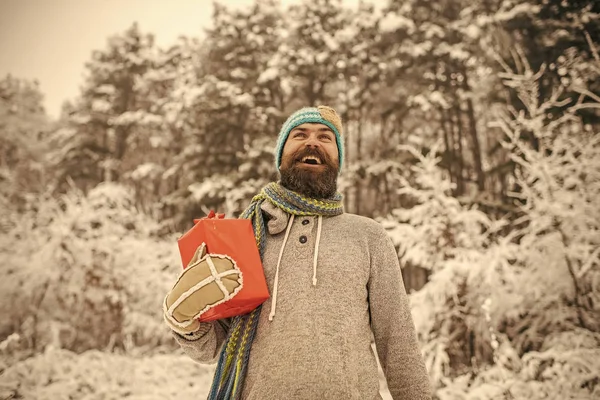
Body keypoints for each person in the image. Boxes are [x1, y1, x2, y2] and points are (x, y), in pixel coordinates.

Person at [164, 106, 432, 399]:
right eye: (300, 135)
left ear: (338, 160)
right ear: (280, 156)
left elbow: (398, 343)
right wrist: (187, 323)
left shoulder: (368, 236)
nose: (312, 142)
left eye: (325, 137)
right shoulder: (246, 235)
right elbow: (215, 347)